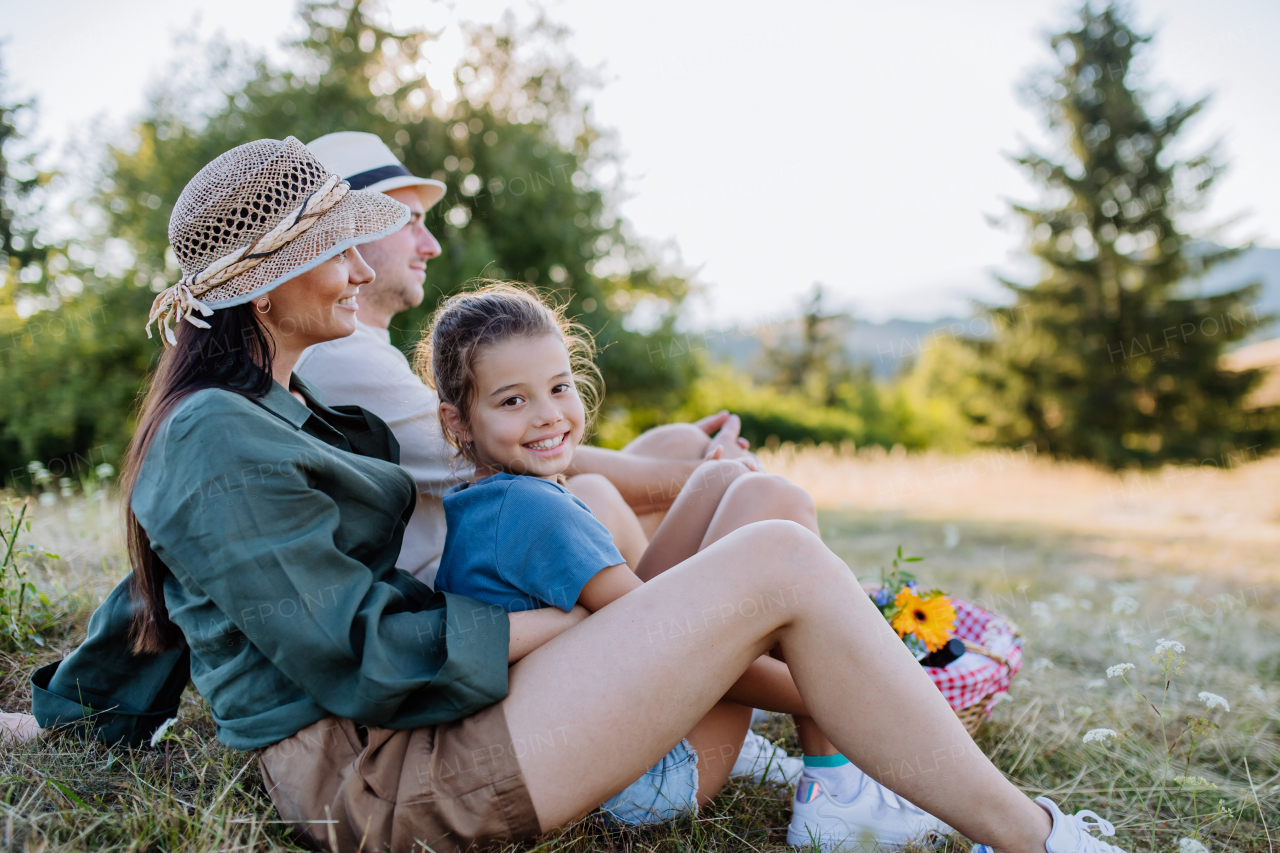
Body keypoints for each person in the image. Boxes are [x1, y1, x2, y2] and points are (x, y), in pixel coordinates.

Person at [16, 139, 1128, 853]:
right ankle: (1037, 842)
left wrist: (69, 709)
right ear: (267, 279)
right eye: (334, 250)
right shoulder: (214, 436)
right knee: (775, 567)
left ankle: (927, 792)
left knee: (761, 525)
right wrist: (595, 622)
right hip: (379, 783)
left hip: (429, 730)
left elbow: (156, 592)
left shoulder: (274, 411)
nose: (360, 271)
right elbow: (357, 653)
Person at [295, 131, 801, 786]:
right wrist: (708, 474)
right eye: (410, 222)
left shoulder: (364, 354)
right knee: (712, 500)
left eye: (561, 387)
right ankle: (787, 728)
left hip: (502, 574)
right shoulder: (348, 360)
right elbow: (537, 469)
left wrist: (696, 464)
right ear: (348, 232)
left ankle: (744, 699)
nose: (432, 244)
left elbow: (524, 450)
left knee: (676, 461)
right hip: (497, 602)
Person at [422, 282, 948, 840]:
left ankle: (828, 771)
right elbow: (678, 648)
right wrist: (844, 679)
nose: (549, 415)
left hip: (589, 734)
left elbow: (642, 631)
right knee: (778, 503)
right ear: (457, 422)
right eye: (513, 400)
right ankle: (835, 788)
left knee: (724, 477)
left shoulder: (480, 502)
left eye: (559, 387)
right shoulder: (532, 510)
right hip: (638, 780)